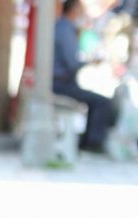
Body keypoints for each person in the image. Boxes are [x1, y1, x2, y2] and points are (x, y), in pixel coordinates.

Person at [54, 0, 115, 151]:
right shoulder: (65, 28)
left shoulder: (63, 27)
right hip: (59, 84)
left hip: (61, 82)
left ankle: (89, 141)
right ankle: (92, 143)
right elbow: (72, 63)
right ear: (74, 9)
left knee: (98, 101)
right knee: (103, 103)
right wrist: (91, 61)